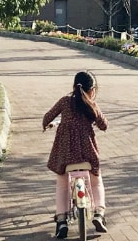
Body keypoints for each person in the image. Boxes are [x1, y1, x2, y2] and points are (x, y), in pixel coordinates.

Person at [43, 70, 108, 238]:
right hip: (88, 156)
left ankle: (62, 220)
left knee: (62, 185)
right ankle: (99, 214)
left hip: (65, 156)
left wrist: (48, 124)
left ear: (73, 87)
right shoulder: (91, 105)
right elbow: (104, 125)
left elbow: (47, 117)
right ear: (92, 90)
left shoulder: (64, 102)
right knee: (96, 182)